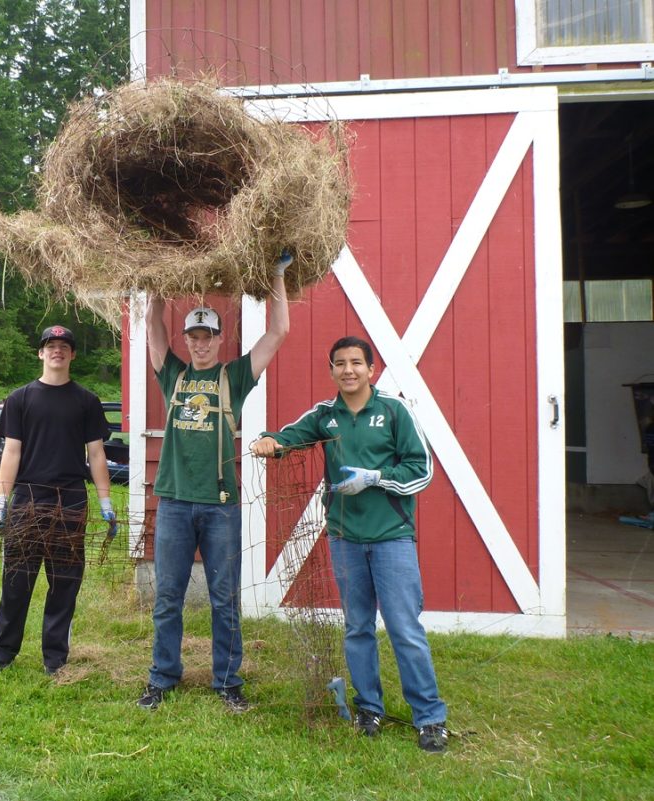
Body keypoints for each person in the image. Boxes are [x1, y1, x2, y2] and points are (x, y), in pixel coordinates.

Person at [251, 336, 449, 753]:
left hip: (392, 536)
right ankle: (368, 708)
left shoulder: (394, 411)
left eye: (356, 363)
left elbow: (422, 470)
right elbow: (291, 436)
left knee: (403, 628)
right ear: (331, 371)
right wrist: (269, 442)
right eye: (339, 363)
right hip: (344, 538)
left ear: (371, 369)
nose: (348, 370)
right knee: (357, 627)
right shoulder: (327, 415)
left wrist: (376, 478)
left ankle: (429, 718)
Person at [137, 252, 292, 713]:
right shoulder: (173, 376)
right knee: (168, 595)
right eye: (194, 336)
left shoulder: (236, 377)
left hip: (221, 503)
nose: (200, 344)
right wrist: (157, 286)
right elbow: (153, 331)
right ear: (186, 341)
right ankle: (163, 677)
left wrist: (278, 276)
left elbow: (279, 332)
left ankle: (227, 682)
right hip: (175, 503)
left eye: (208, 336)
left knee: (224, 598)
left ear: (220, 340)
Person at [0, 325, 116, 677]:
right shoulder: (19, 399)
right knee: (16, 581)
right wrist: (1, 501)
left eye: (64, 346)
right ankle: (1, 656)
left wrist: (105, 502)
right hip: (27, 500)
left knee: (65, 582)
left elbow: (97, 455)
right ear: (40, 353)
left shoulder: (86, 401)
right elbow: (12, 450)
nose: (57, 351)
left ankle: (55, 659)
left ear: (72, 355)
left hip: (70, 502)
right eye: (50, 345)